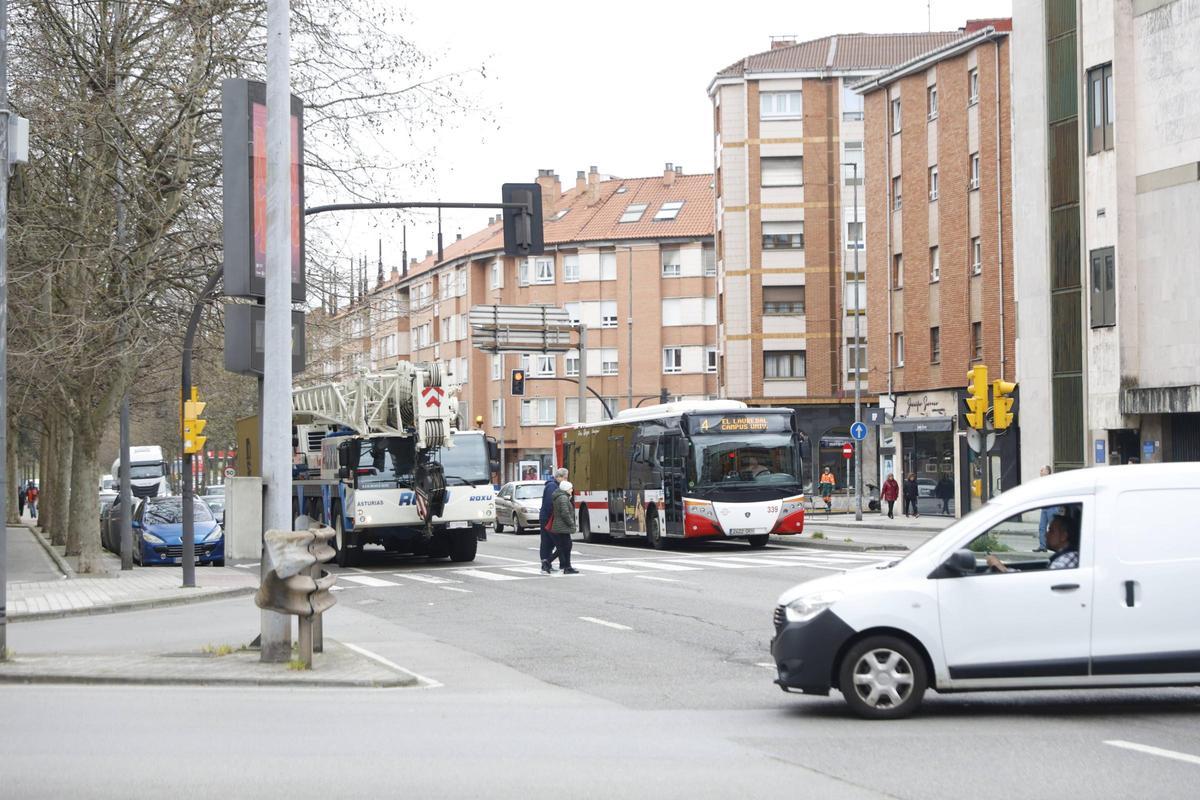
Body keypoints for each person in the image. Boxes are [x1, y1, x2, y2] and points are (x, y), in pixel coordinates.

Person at [987, 514, 1079, 572]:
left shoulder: (1069, 558)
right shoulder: (1064, 556)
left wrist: (1003, 569)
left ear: (1063, 536)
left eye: (1051, 531)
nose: (1046, 535)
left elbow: (1043, 582)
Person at [539, 467, 567, 574]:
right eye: (565, 478)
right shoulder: (552, 486)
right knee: (550, 542)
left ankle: (546, 564)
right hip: (548, 518)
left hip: (547, 517)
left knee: (549, 542)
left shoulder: (553, 485)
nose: (565, 480)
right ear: (559, 477)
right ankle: (546, 563)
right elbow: (550, 504)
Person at [550, 480, 579, 574]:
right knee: (564, 547)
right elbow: (565, 513)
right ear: (566, 489)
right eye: (570, 488)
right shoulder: (563, 498)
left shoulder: (563, 497)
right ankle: (548, 562)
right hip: (562, 526)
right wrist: (571, 523)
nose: (572, 490)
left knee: (566, 546)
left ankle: (567, 566)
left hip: (561, 525)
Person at [1035, 465, 1054, 551]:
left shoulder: (1052, 481)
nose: (1040, 472)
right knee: (1042, 527)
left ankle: (1055, 546)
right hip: (1044, 507)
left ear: (1047, 472)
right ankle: (1042, 546)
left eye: (1042, 470)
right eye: (1040, 470)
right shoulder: (1041, 482)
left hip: (1052, 507)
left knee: (1053, 527)